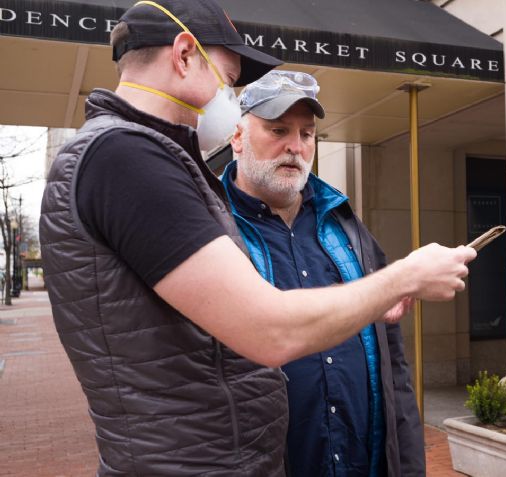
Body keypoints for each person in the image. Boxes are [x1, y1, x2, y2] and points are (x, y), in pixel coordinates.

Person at [38, 1, 476, 475]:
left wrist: (370, 300)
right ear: (184, 55)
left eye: (308, 134)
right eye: (228, 81)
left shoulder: (140, 156)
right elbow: (269, 331)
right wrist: (403, 278)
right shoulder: (127, 156)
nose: (229, 99)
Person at [222, 70, 423, 476]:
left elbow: (393, 365)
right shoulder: (211, 230)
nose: (295, 147)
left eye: (307, 134)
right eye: (278, 129)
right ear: (238, 136)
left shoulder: (344, 223)